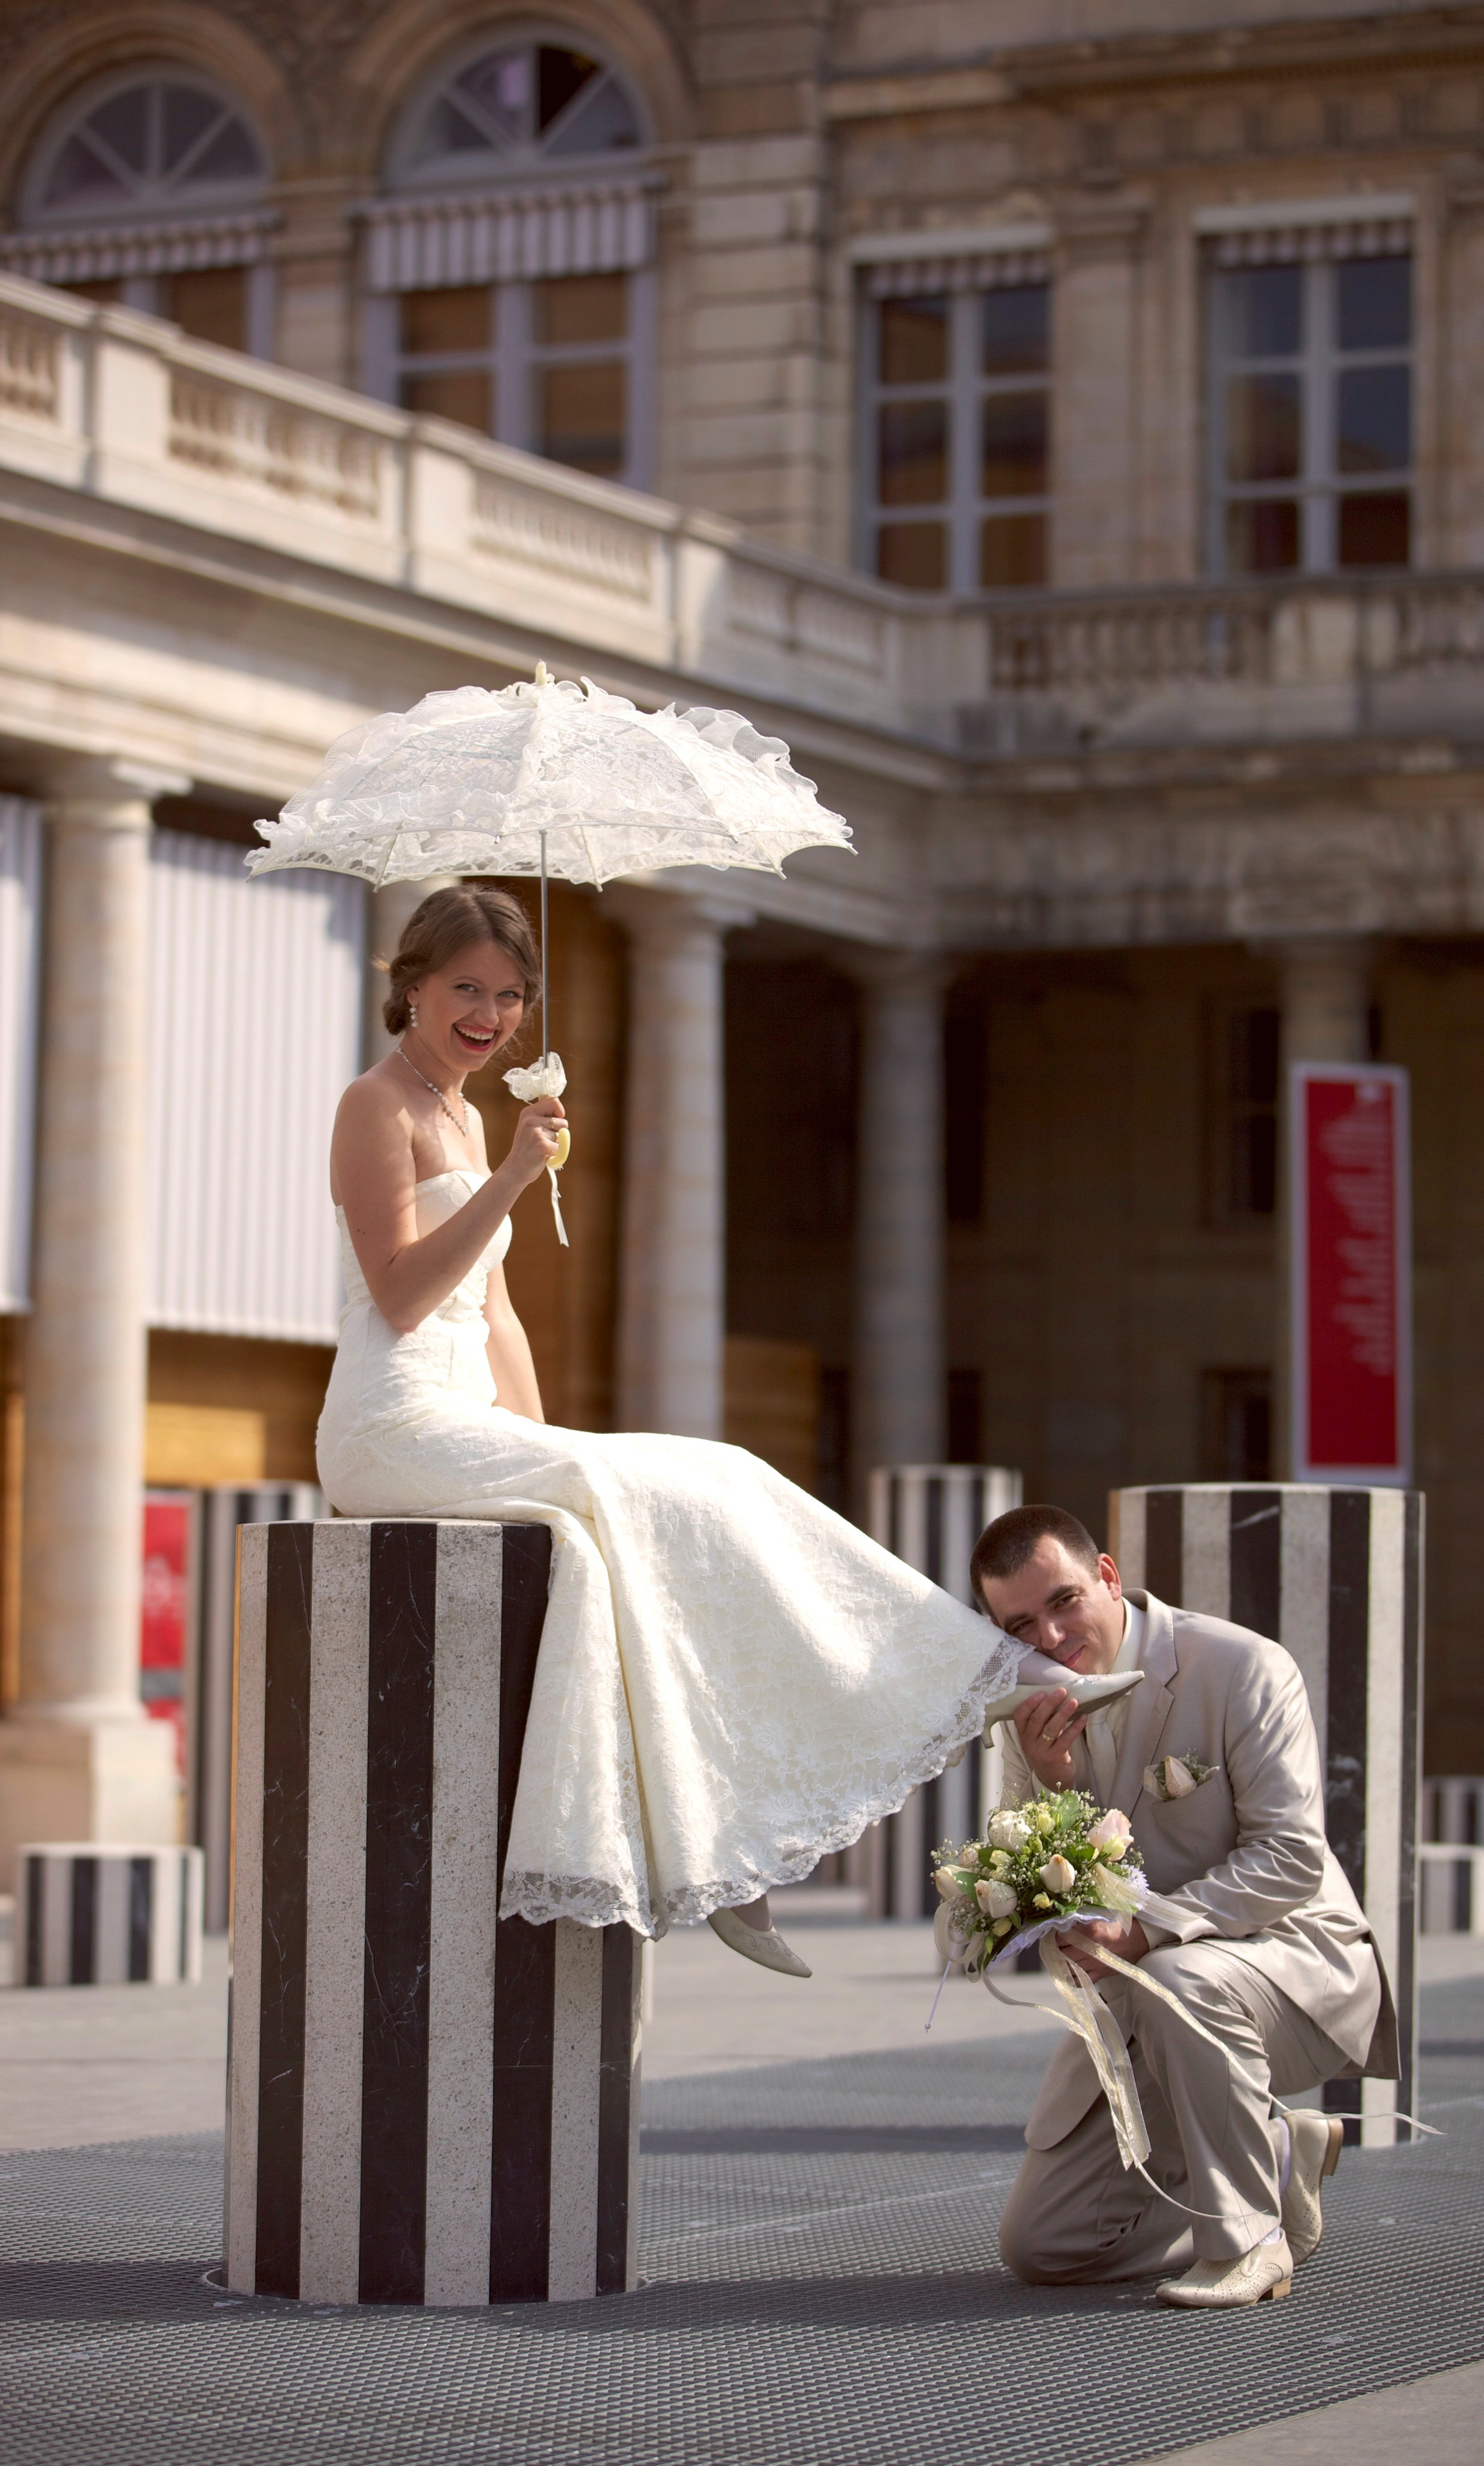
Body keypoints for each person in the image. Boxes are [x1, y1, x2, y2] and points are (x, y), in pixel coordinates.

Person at [317, 884, 1024, 1972]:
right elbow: (404, 1295)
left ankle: (726, 1842)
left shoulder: (463, 1113)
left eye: (510, 996)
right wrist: (512, 1177)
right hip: (388, 1422)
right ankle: (954, 1691)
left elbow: (498, 1317)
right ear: (410, 984)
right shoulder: (379, 1104)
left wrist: (559, 1452)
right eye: (466, 988)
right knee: (675, 1486)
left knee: (705, 1483)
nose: (489, 1014)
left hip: (464, 1418)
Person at [973, 1503, 1397, 2311]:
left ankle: (1247, 2243)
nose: (1050, 1639)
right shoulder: (1025, 1708)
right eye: (1019, 1624)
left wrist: (1140, 1931)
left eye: (1063, 1601)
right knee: (1045, 2246)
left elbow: (1291, 1858)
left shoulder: (1241, 1665)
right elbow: (1036, 1875)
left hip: (1290, 1967)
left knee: (1185, 1980)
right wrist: (1054, 1783)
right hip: (1146, 2002)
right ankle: (1272, 2160)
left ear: (1107, 1575)